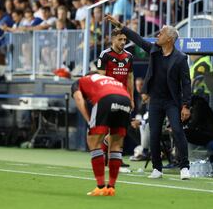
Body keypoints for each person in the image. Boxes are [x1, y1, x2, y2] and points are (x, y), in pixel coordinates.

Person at [105, 14, 192, 180]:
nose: (158, 35)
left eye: (161, 33)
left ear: (170, 39)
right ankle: (157, 168)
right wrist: (121, 26)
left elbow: (186, 84)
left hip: (172, 102)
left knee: (177, 131)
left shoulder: (181, 58)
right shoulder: (154, 50)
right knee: (154, 134)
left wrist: (186, 105)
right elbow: (137, 39)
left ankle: (184, 167)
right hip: (155, 100)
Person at [71, 73, 131, 196]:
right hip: (126, 99)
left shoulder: (80, 81)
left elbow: (78, 99)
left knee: (93, 140)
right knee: (116, 144)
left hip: (106, 98)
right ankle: (111, 188)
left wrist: (89, 121)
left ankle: (100, 187)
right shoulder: (109, 79)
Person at [97, 27, 134, 168]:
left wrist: (131, 98)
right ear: (112, 39)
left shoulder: (129, 56)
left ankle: (113, 156)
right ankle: (106, 155)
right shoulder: (105, 55)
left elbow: (130, 78)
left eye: (125, 39)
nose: (123, 42)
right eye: (120, 39)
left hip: (123, 97)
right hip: (109, 96)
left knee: (121, 130)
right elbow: (101, 77)